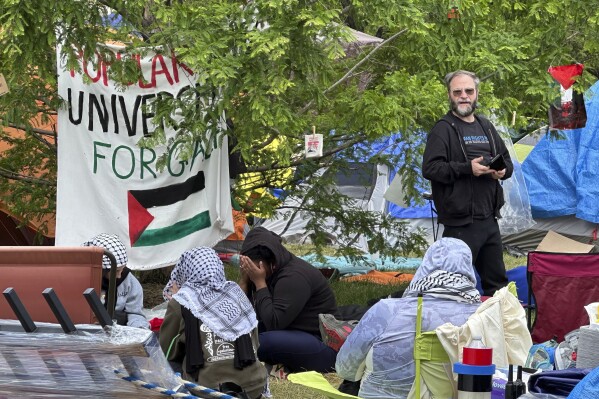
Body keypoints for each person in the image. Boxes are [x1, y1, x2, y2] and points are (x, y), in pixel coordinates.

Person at [335, 237, 482, 399]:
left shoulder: (387, 310)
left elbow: (345, 368)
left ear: (426, 265)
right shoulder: (483, 316)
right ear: (469, 268)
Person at [422, 70, 514, 296]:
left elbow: (508, 162)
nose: (464, 96)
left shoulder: (486, 126)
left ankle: (498, 328)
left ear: (476, 94)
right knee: (450, 285)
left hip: (489, 218)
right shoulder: (443, 128)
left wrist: (502, 171)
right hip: (460, 222)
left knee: (498, 286)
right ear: (449, 95)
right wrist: (467, 168)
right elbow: (431, 169)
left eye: (469, 91)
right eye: (458, 92)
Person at [159, 247, 266, 399]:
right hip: (254, 386)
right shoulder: (236, 294)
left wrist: (177, 302)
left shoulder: (182, 302)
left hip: (208, 390)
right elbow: (256, 343)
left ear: (185, 270)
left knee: (167, 364)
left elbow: (167, 351)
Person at [239, 226, 338, 374]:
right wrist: (244, 283)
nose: (251, 271)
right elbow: (238, 316)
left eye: (254, 267)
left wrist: (260, 283)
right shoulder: (270, 271)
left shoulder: (293, 277)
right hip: (289, 333)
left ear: (271, 262)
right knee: (238, 334)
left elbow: (274, 323)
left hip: (320, 344)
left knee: (258, 341)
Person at [82, 233, 149, 329]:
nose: (119, 275)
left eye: (122, 269)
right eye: (116, 271)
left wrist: (139, 329)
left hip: (119, 328)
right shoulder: (84, 280)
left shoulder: (129, 281)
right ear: (102, 269)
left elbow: (135, 313)